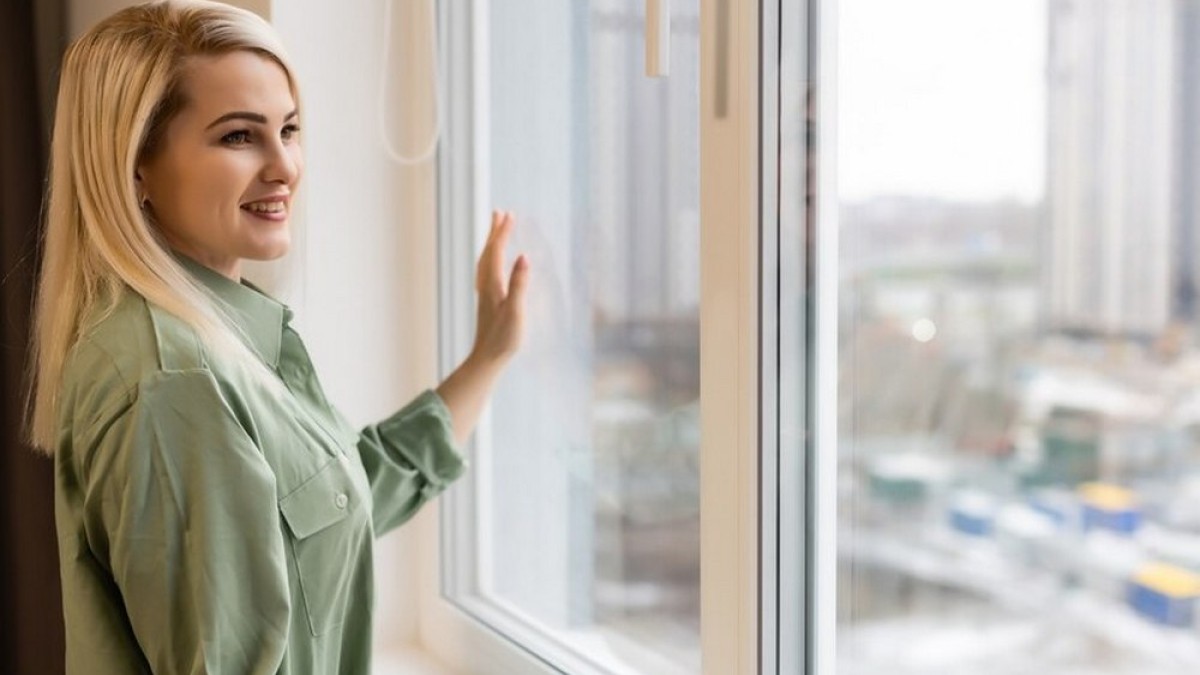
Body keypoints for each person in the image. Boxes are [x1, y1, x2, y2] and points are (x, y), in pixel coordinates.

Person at [27, 1, 529, 672]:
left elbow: (328, 510)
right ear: (135, 166)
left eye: (289, 129)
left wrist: (488, 357)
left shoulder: (215, 334)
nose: (285, 165)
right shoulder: (177, 384)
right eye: (239, 136)